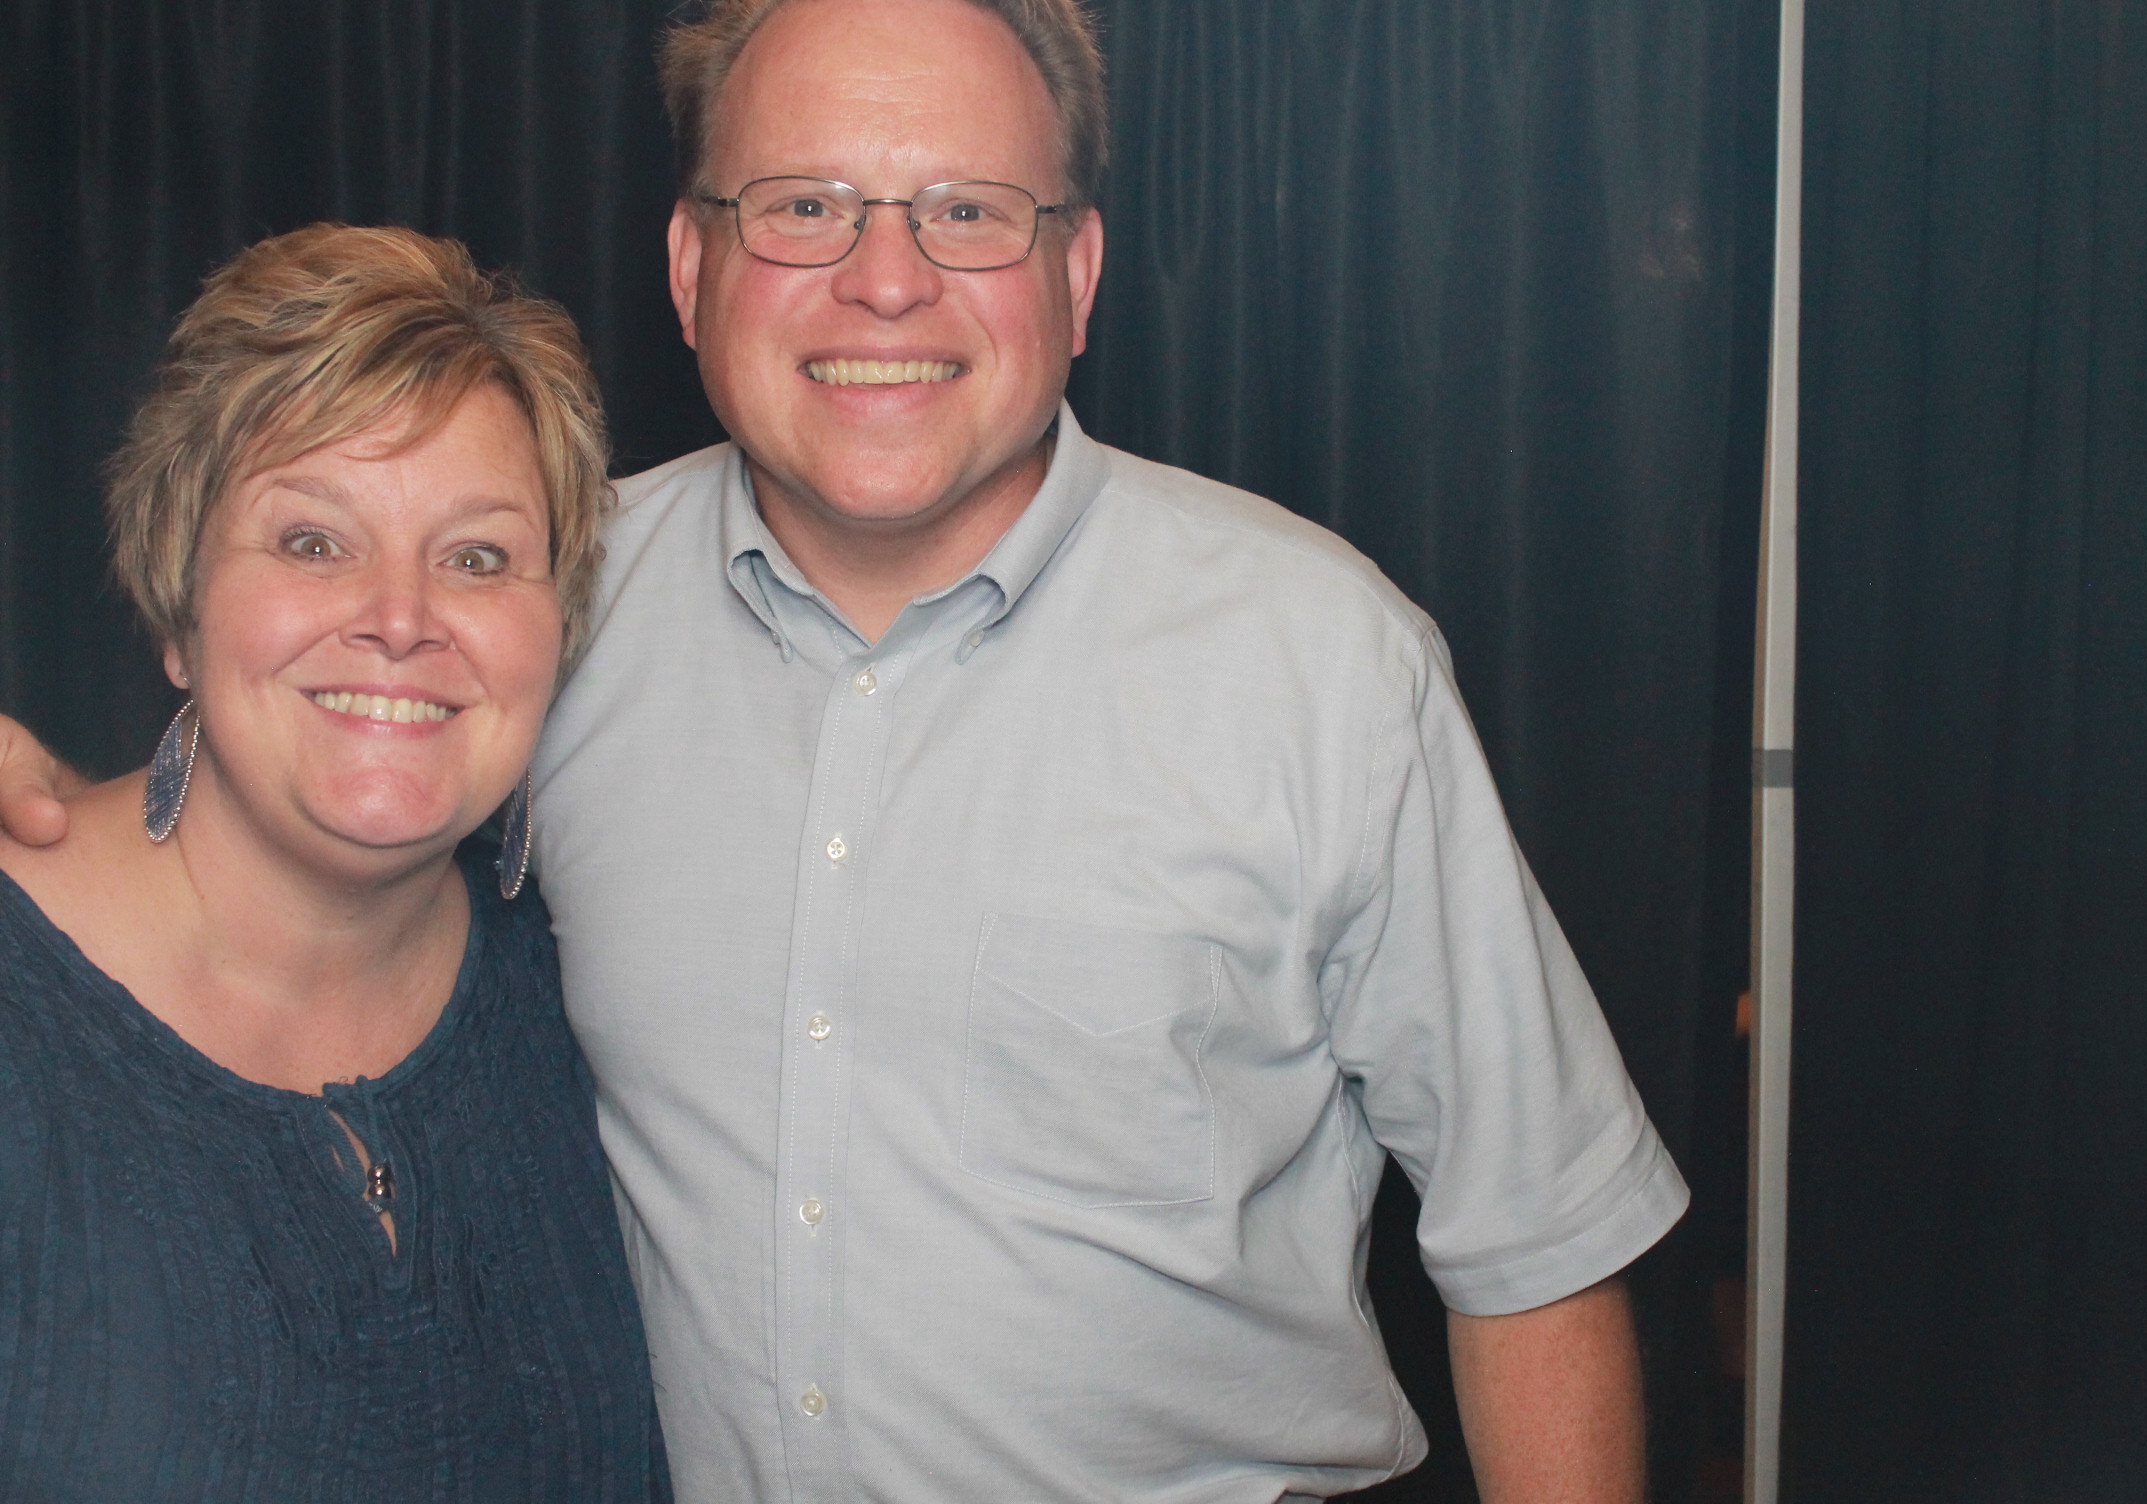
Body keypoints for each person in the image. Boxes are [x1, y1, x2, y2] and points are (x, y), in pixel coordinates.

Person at [1, 2, 1689, 1499]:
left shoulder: (1323, 661)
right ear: (690, 267)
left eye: (968, 211)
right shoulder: (542, 594)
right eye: (802, 205)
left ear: (1077, 275)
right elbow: (295, 754)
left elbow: (1533, 1245)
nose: (886, 277)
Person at [0, 225, 670, 1500]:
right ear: (179, 600)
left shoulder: (581, 992)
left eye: (478, 556)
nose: (402, 618)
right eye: (314, 541)